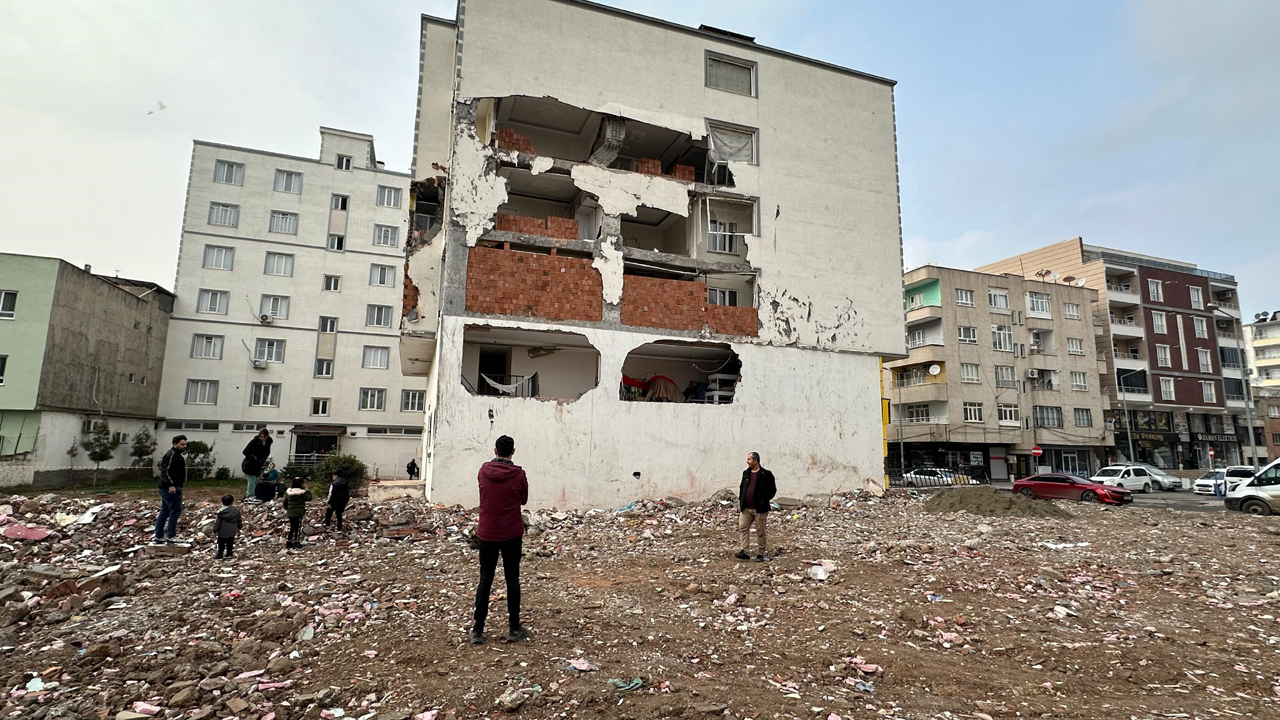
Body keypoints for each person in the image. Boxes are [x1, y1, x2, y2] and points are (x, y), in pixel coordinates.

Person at [471, 435, 529, 645]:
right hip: (511, 533)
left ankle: (478, 630)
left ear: (495, 450)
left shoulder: (483, 471)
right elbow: (523, 499)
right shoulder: (518, 475)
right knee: (512, 579)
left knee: (485, 578)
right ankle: (514, 628)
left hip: (487, 532)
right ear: (513, 451)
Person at [735, 451, 776, 562]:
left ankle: (760, 554)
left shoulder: (766, 474)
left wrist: (764, 500)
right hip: (746, 508)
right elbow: (742, 488)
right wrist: (741, 500)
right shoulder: (746, 473)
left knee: (760, 531)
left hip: (760, 509)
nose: (747, 461)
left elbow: (772, 490)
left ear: (755, 461)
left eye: (749, 459)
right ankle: (745, 551)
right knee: (743, 528)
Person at [153, 435, 187, 544]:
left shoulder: (175, 455)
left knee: (165, 511)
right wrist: (171, 485)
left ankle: (159, 536)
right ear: (175, 444)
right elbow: (166, 471)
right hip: (170, 488)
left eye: (185, 444)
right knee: (175, 511)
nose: (184, 446)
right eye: (182, 444)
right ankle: (171, 536)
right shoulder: (172, 455)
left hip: (168, 487)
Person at [241, 429, 273, 499]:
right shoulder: (254, 442)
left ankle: (250, 495)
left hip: (257, 466)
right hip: (248, 465)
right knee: (252, 479)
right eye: (260, 436)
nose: (262, 438)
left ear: (267, 436)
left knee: (257, 480)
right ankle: (250, 496)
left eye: (263, 437)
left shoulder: (268, 443)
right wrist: (254, 458)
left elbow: (266, 453)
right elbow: (245, 452)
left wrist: (262, 460)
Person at [282, 478, 312, 549]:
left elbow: (285, 503)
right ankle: (296, 542)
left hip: (290, 513)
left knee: (292, 527)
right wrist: (307, 489)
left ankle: (289, 542)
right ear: (301, 484)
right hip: (298, 513)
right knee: (297, 528)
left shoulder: (288, 492)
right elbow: (309, 498)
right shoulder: (302, 493)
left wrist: (288, 509)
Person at [213, 494, 241, 560]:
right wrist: (239, 526)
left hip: (223, 531)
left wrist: (215, 529)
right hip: (232, 530)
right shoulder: (236, 511)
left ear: (222, 502)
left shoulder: (221, 512)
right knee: (230, 542)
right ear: (232, 502)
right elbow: (239, 519)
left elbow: (217, 522)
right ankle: (229, 553)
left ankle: (220, 554)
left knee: (221, 543)